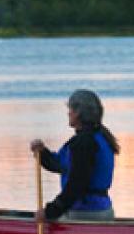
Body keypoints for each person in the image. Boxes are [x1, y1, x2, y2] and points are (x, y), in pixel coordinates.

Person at [29, 89, 120, 222]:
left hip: (85, 212)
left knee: (45, 222)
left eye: (70, 109)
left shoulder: (84, 143)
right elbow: (60, 165)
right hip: (103, 211)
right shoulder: (100, 136)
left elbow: (76, 185)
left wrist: (50, 211)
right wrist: (42, 153)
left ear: (78, 113)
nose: (68, 113)